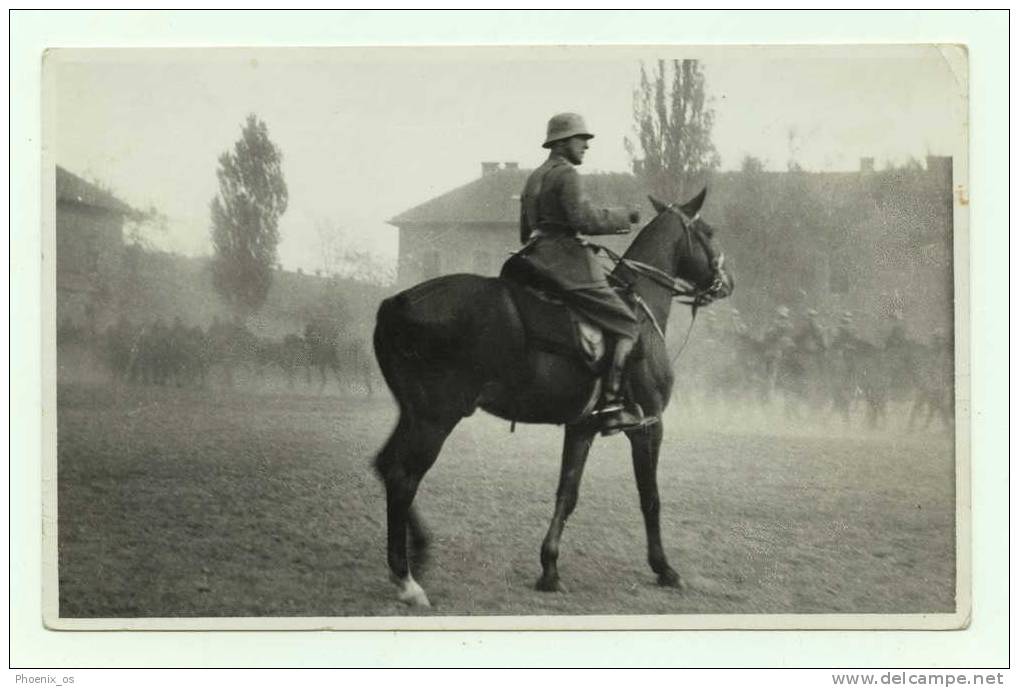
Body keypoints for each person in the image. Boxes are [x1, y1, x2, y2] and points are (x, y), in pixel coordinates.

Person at [505, 112, 644, 435]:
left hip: (532, 259)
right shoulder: (567, 174)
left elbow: (527, 231)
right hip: (566, 263)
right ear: (563, 141)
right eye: (582, 139)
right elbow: (584, 220)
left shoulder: (533, 177)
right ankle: (611, 406)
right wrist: (627, 215)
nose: (586, 146)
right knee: (627, 324)